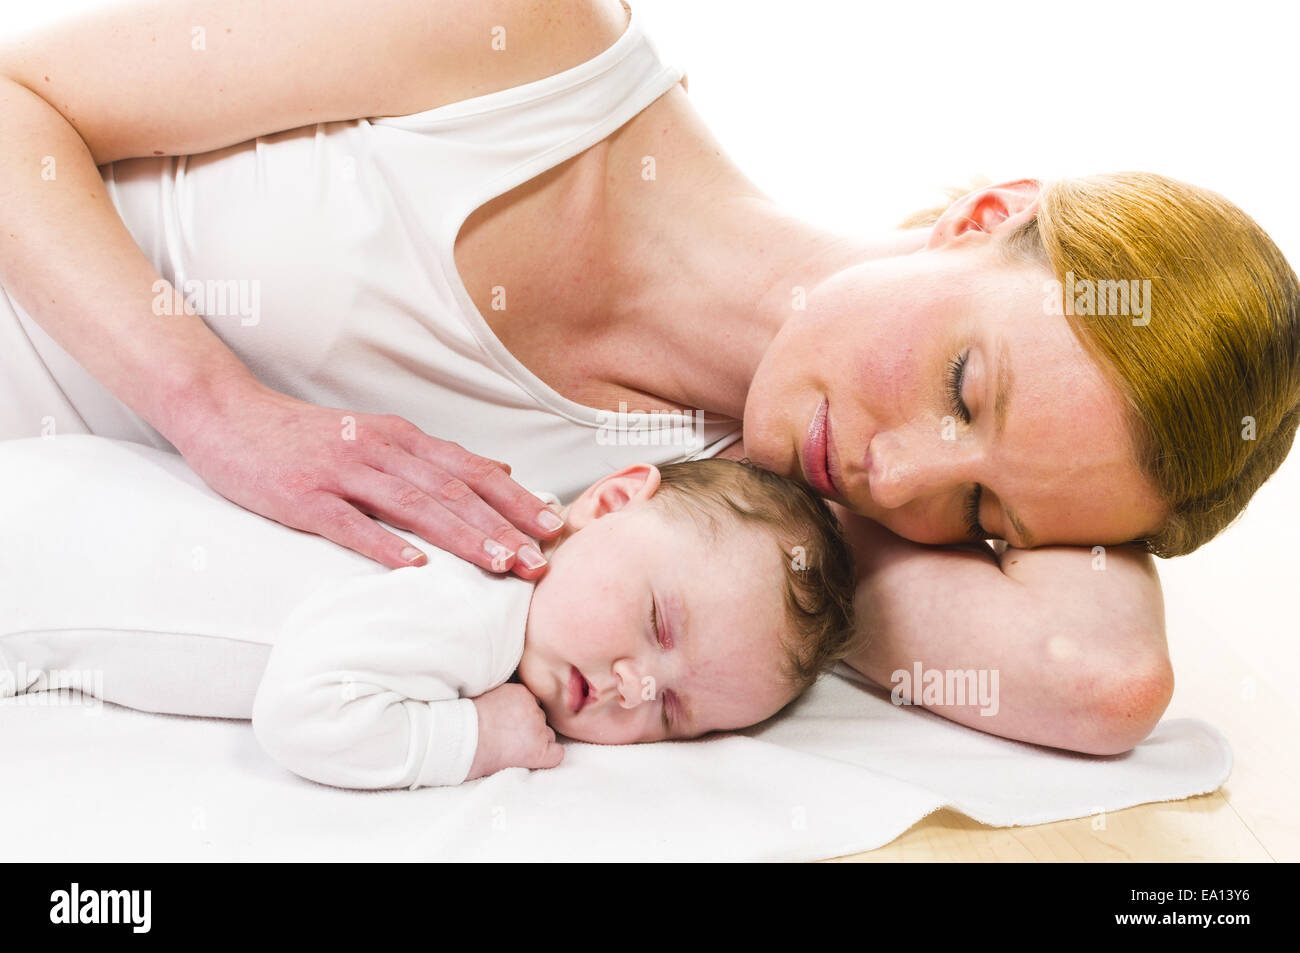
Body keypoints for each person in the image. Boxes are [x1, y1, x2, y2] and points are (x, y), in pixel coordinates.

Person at [2, 0, 1296, 755]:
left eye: (982, 520)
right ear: (985, 212)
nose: (902, 476)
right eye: (969, 386)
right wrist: (219, 412)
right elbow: (16, 99)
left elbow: (1101, 672)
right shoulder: (530, 46)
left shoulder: (706, 538)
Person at [0, 436, 855, 790]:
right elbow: (301, 711)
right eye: (661, 624)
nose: (635, 685)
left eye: (674, 713)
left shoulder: (473, 524)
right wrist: (473, 739)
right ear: (613, 499)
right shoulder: (479, 604)